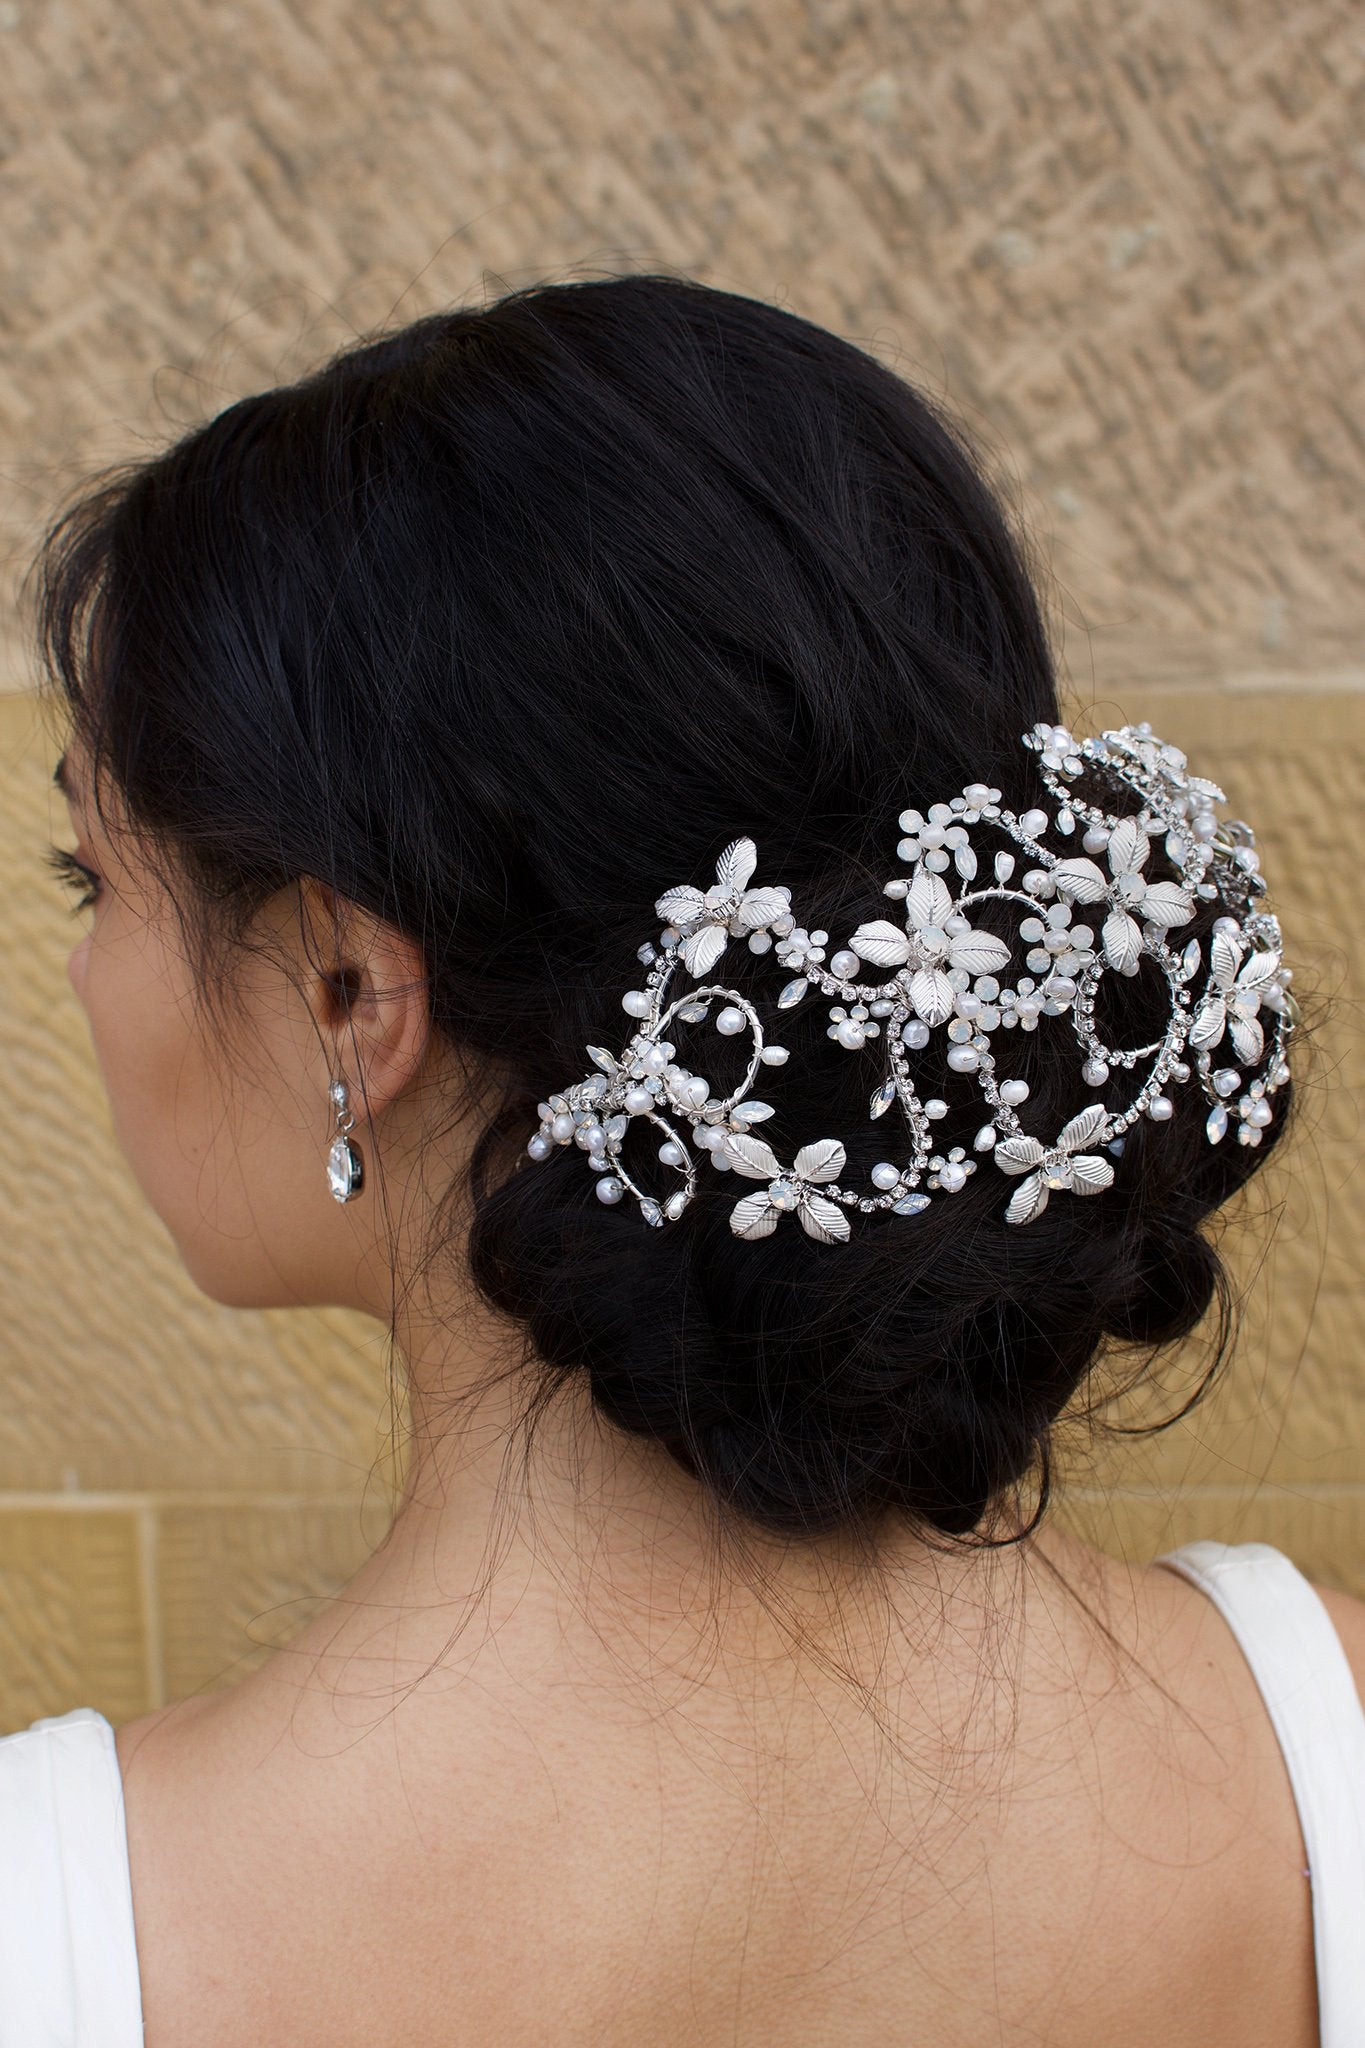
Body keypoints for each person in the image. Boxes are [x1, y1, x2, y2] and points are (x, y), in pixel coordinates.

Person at [4, 272, 1360, 2047]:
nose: (86, 977)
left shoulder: (59, 1937)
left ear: (349, 991)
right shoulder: (1330, 1749)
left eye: (95, 882)